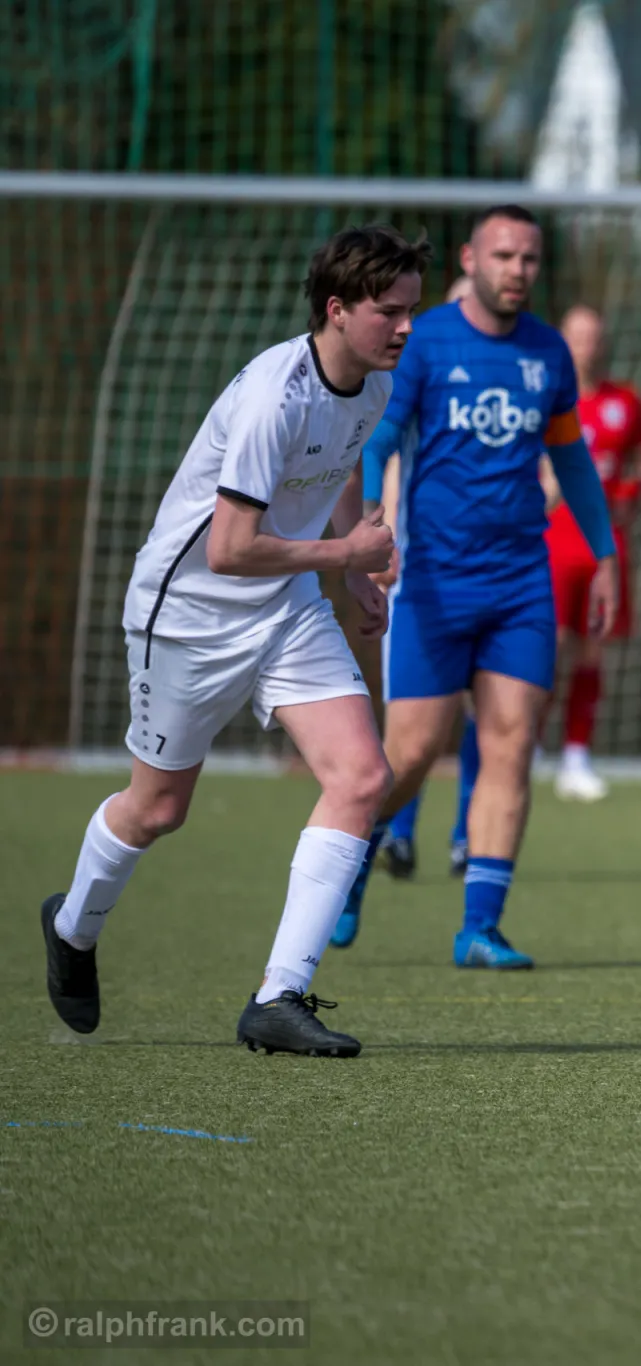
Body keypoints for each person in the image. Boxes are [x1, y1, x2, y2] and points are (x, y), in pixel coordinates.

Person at [38, 225, 426, 1056]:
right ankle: (72, 927)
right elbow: (229, 548)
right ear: (336, 309)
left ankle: (278, 998)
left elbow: (340, 468)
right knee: (158, 809)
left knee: (362, 777)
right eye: (389, 312)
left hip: (285, 608)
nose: (404, 328)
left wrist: (351, 564)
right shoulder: (272, 398)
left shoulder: (374, 385)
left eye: (411, 311)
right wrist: (346, 556)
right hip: (188, 618)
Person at [328, 204, 618, 969]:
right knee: (413, 751)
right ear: (471, 259)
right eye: (503, 255)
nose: (517, 270)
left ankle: (479, 929)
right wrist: (373, 528)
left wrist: (605, 554)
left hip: (521, 582)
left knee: (511, 744)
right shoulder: (425, 341)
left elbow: (573, 461)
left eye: (529, 258)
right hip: (435, 579)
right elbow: (380, 440)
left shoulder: (549, 353)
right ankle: (357, 857)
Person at [380, 274, 482, 880]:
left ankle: (467, 837)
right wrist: (384, 540)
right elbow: (389, 463)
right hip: (423, 580)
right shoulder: (420, 382)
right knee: (413, 729)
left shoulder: (512, 392)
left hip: (491, 580)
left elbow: (548, 473)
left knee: (486, 714)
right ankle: (396, 833)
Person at [540, 303, 641, 802]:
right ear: (562, 341)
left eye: (593, 337)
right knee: (545, 648)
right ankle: (526, 744)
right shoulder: (544, 398)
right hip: (552, 540)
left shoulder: (626, 401)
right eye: (577, 336)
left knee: (592, 649)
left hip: (604, 544)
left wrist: (631, 494)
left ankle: (576, 756)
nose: (586, 346)